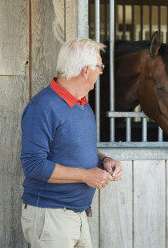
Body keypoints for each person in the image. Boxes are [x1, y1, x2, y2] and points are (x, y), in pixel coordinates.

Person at [20, 38, 123, 248]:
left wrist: (104, 161)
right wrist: (86, 175)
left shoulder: (83, 105)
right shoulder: (43, 106)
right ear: (86, 71)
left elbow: (76, 149)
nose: (101, 72)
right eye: (99, 66)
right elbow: (33, 165)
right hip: (51, 216)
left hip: (77, 215)